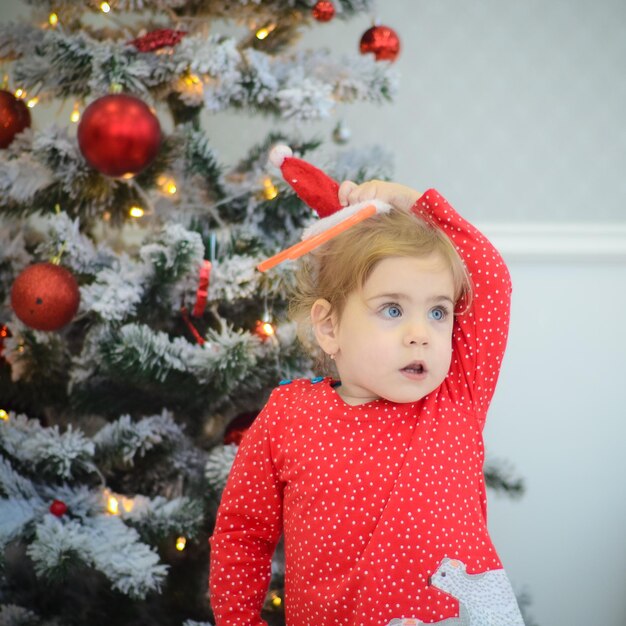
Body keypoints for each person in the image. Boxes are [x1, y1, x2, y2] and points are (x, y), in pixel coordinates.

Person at [209, 147, 525, 626]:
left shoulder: (456, 396)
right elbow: (242, 534)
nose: (420, 331)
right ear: (330, 326)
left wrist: (414, 202)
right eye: (393, 309)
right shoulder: (288, 416)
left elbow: (491, 279)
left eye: (437, 311)